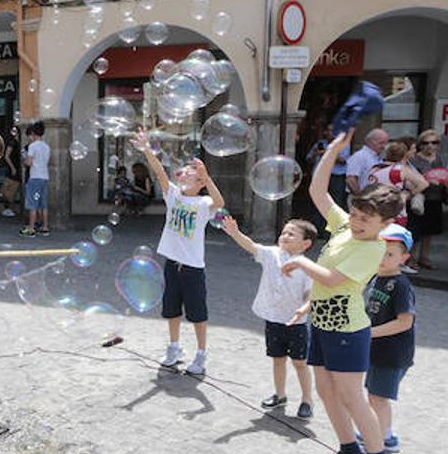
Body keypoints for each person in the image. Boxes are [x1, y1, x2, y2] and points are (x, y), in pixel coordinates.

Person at [283, 130, 403, 454]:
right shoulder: (342, 229)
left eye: (367, 218)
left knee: (351, 395)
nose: (357, 221)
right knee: (325, 390)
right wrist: (333, 152)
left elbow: (334, 280)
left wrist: (301, 260)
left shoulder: (373, 248)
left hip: (348, 330)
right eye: (355, 212)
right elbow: (319, 192)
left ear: (385, 223)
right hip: (321, 324)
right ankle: (349, 452)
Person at [135, 130, 225, 376]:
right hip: (171, 264)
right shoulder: (173, 195)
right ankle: (174, 348)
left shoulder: (204, 204)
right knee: (171, 309)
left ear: (200, 183)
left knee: (197, 313)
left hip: (193, 267)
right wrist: (146, 149)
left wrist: (207, 176)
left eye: (190, 173)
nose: (183, 173)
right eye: (183, 171)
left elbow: (219, 202)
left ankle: (201, 353)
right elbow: (160, 172)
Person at [220, 214, 318, 419]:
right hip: (273, 319)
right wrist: (235, 232)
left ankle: (307, 399)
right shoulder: (272, 254)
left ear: (306, 243)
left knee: (300, 363)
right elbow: (251, 245)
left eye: (292, 234)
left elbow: (311, 295)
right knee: (277, 359)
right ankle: (280, 395)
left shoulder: (307, 267)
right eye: (284, 232)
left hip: (296, 323)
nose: (285, 236)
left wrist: (304, 309)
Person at [364, 224, 417, 454]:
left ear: (404, 257)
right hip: (375, 350)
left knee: (379, 397)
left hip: (392, 353)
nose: (383, 257)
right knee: (374, 394)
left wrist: (369, 333)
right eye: (379, 250)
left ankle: (382, 440)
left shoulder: (401, 285)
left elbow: (405, 321)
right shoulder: (375, 278)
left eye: (391, 254)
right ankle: (379, 431)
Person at [365, 140, 430, 238]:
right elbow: (424, 184)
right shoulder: (400, 169)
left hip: (376, 210)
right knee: (395, 241)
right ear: (404, 155)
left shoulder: (374, 168)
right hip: (397, 211)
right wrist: (409, 194)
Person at [406, 130, 446, 269]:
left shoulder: (438, 158)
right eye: (426, 143)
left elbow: (442, 173)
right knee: (416, 229)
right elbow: (409, 177)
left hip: (435, 196)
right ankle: (411, 258)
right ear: (420, 144)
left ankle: (424, 257)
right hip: (419, 198)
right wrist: (427, 179)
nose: (430, 146)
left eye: (434, 142)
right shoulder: (413, 159)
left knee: (430, 230)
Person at [20, 122, 51, 237]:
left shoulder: (33, 146)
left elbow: (28, 162)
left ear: (33, 133)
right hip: (44, 177)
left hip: (34, 177)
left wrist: (24, 161)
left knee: (32, 204)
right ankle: (45, 227)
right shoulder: (46, 146)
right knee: (43, 204)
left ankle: (31, 229)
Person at [345, 127, 390, 196]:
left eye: (386, 143)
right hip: (362, 200)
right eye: (381, 143)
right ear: (370, 142)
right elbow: (351, 180)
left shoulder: (377, 158)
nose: (384, 146)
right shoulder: (359, 156)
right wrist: (360, 197)